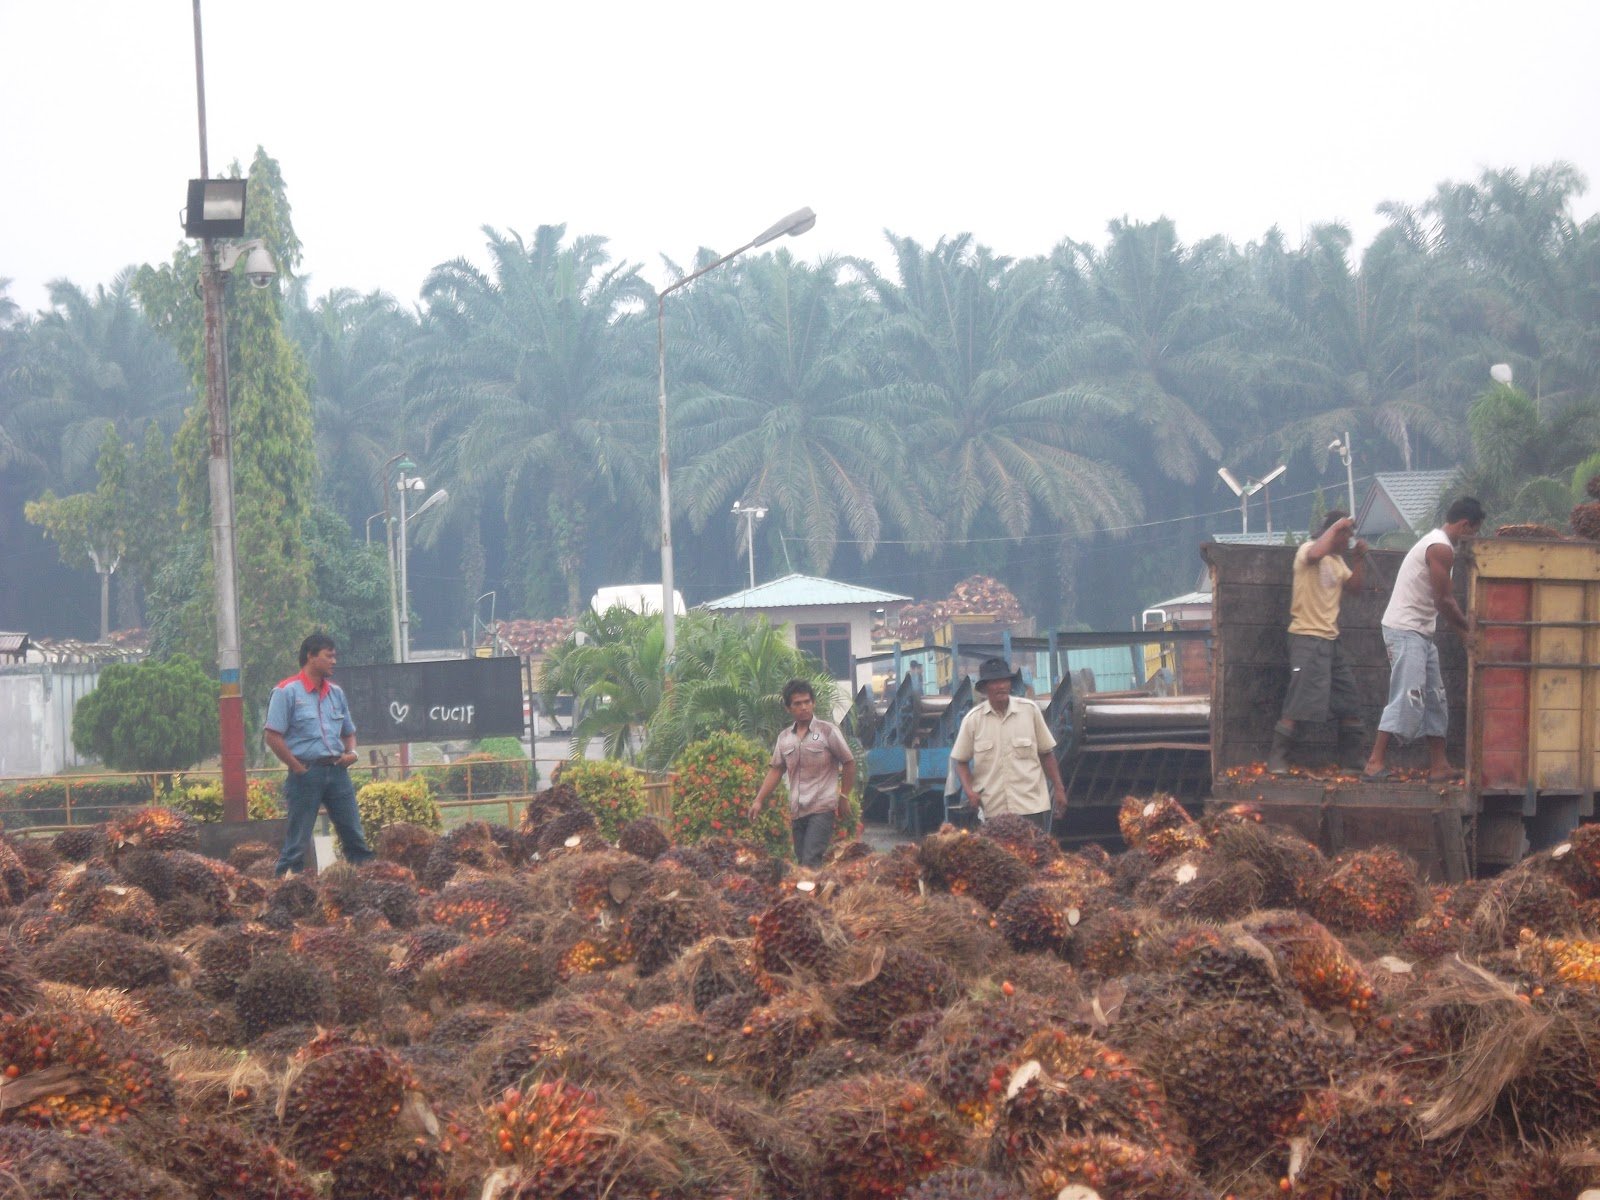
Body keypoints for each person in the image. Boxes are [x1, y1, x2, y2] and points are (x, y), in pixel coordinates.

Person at [1362, 497, 1486, 783]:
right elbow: (1443, 600)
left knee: (1434, 698)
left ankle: (1440, 766)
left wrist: (1465, 638)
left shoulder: (1438, 543)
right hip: (1406, 629)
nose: (1474, 539)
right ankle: (1374, 763)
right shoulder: (1441, 548)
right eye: (1475, 531)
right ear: (1465, 525)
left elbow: (1440, 603)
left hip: (1420, 632)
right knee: (1407, 695)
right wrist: (1469, 630)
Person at [264, 632, 375, 876]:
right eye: (329, 656)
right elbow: (272, 736)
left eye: (334, 656)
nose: (334, 661)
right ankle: (287, 888)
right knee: (297, 842)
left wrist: (352, 753)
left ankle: (367, 882)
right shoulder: (286, 692)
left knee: (354, 835)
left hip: (337, 772)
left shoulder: (336, 693)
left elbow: (349, 732)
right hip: (306, 773)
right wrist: (296, 766)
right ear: (311, 657)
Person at [1268, 511, 1369, 774]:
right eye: (1344, 535)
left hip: (1331, 640)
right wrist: (1338, 526)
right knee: (1298, 702)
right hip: (1307, 637)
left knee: (1348, 701)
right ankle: (1278, 759)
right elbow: (1315, 554)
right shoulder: (1307, 551)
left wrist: (1358, 560)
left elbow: (1355, 588)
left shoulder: (1337, 562)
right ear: (1333, 532)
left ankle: (1352, 763)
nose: (1348, 540)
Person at [951, 657, 1067, 831]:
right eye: (994, 682)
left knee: (1035, 856)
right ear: (984, 688)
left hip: (1031, 807)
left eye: (1004, 681)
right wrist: (969, 792)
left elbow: (1046, 754)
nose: (1001, 686)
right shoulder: (973, 720)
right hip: (993, 810)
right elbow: (961, 761)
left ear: (1010, 684)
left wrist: (1059, 788)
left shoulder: (1030, 711)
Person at [750, 678, 856, 867]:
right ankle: (817, 894)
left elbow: (848, 762)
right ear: (788, 708)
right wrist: (759, 800)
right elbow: (776, 770)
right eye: (797, 704)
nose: (804, 707)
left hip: (822, 808)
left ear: (813, 703)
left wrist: (844, 796)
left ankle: (807, 896)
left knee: (810, 860)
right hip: (797, 811)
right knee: (802, 861)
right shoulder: (784, 738)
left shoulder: (827, 731)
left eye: (807, 702)